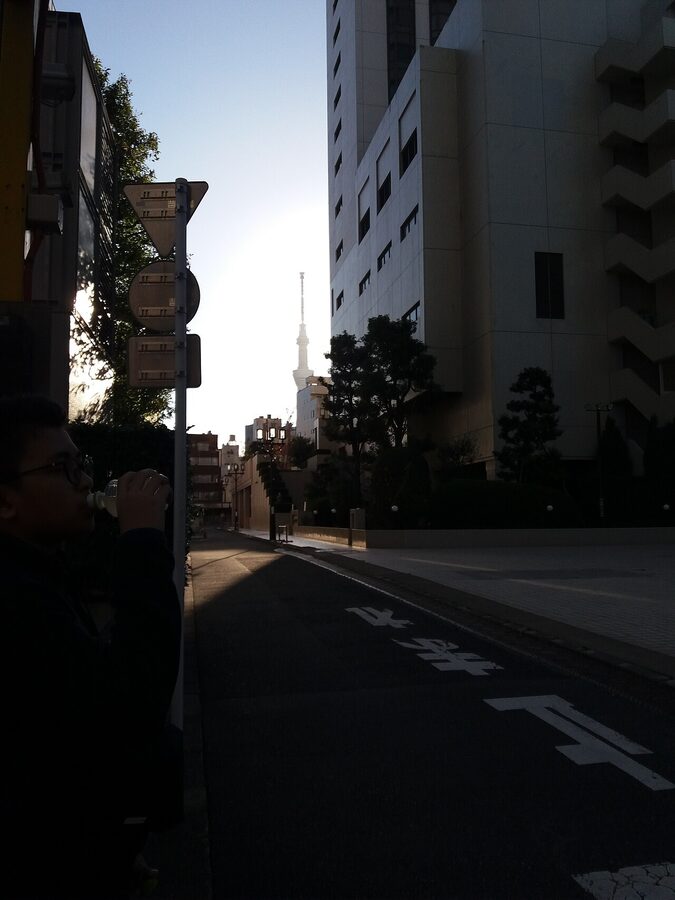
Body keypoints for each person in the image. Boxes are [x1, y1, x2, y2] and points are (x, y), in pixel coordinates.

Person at [0, 395, 181, 899]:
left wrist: (110, 850)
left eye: (82, 464)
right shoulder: (17, 600)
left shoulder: (37, 574)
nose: (83, 480)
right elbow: (131, 703)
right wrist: (143, 541)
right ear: (5, 500)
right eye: (62, 467)